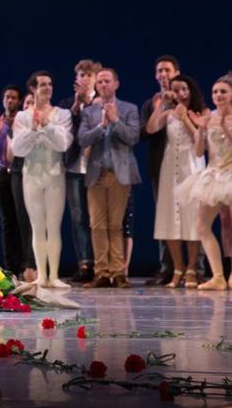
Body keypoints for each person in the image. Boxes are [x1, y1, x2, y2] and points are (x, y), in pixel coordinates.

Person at [78, 68, 141, 289]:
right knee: (97, 225)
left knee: (115, 225)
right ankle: (101, 272)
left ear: (116, 84)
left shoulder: (129, 109)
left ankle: (118, 272)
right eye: (100, 82)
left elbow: (133, 137)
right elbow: (82, 139)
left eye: (107, 81)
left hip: (119, 173)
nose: (103, 85)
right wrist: (101, 126)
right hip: (97, 173)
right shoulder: (89, 112)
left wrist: (114, 121)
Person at [11, 71, 73, 289]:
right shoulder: (22, 117)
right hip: (32, 176)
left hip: (55, 174)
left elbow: (63, 144)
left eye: (50, 84)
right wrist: (33, 129)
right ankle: (41, 275)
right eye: (42, 85)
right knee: (37, 227)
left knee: (53, 225)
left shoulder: (62, 114)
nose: (47, 88)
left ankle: (54, 274)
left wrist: (47, 125)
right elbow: (18, 148)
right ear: (33, 89)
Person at [146, 74, 207, 288]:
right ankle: (178, 268)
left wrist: (187, 119)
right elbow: (151, 128)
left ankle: (192, 268)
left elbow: (201, 143)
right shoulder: (169, 113)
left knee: (192, 217)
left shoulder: (202, 113)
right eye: (176, 90)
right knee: (170, 216)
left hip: (192, 167)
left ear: (190, 90)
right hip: (170, 167)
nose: (181, 93)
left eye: (184, 89)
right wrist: (162, 104)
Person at [177, 74, 232, 291]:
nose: (218, 95)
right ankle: (218, 275)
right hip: (213, 174)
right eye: (215, 92)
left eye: (223, 92)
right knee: (202, 226)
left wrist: (225, 126)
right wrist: (201, 128)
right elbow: (200, 151)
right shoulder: (210, 117)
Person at [58, 59, 101, 283]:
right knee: (77, 217)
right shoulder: (67, 104)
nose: (83, 79)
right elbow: (66, 130)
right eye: (80, 75)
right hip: (74, 166)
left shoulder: (101, 102)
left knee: (97, 217)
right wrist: (76, 106)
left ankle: (101, 263)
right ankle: (84, 263)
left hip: (96, 166)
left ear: (95, 78)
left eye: (88, 75)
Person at [0, 85, 28, 276]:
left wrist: (13, 128)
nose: (9, 101)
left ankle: (27, 264)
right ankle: (11, 265)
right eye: (6, 97)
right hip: (1, 174)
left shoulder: (24, 121)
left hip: (21, 173)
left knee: (22, 219)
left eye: (13, 98)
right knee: (7, 221)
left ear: (19, 101)